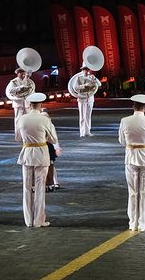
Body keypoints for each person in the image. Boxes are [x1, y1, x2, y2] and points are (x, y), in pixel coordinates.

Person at [119, 93, 145, 230]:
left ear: (133, 106)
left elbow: (121, 141)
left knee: (132, 191)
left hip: (131, 156)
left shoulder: (125, 121)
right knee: (144, 191)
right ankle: (143, 223)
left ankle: (133, 223)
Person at [15, 92, 59, 226]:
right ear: (41, 105)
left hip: (27, 153)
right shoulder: (44, 119)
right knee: (40, 188)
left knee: (27, 187)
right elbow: (53, 139)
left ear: (29, 105)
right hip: (41, 153)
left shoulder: (21, 119)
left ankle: (28, 220)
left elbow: (17, 138)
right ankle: (39, 220)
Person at [68, 65, 100, 137]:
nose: (86, 71)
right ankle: (82, 132)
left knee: (88, 115)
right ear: (82, 70)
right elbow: (75, 87)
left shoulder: (91, 77)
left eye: (88, 69)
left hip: (90, 98)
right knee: (83, 116)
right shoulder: (79, 78)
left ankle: (87, 131)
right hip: (82, 98)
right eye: (85, 69)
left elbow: (99, 84)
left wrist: (94, 78)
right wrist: (85, 85)